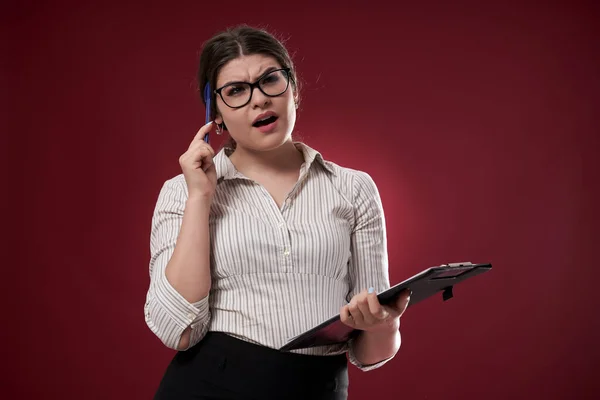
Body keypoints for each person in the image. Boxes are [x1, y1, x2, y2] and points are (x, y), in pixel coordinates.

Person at [143, 24, 411, 400]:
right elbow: (178, 330)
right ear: (214, 115)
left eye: (270, 80)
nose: (259, 100)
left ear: (294, 89)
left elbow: (369, 353)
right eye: (236, 91)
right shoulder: (181, 193)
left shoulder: (354, 189)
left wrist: (383, 325)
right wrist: (200, 197)